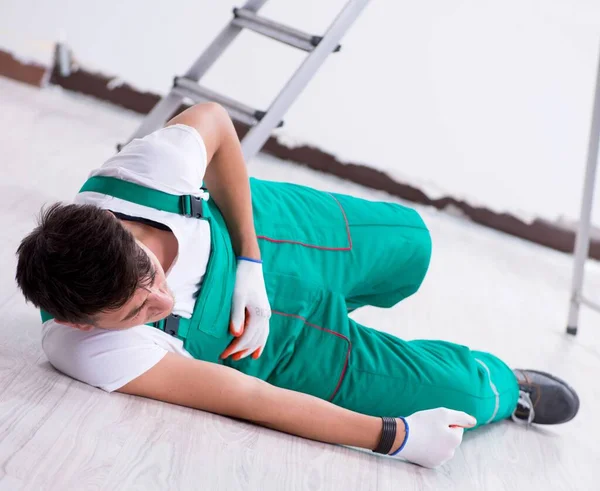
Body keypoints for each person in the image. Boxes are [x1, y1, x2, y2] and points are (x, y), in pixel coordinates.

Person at [15, 103, 579, 469]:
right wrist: (393, 436)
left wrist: (250, 263)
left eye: (153, 276)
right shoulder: (85, 350)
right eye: (140, 310)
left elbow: (213, 121)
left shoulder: (143, 175)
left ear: (118, 226)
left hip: (261, 230)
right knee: (470, 397)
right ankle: (509, 384)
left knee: (413, 244)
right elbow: (245, 397)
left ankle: (345, 293)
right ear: (78, 323)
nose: (162, 299)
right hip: (265, 343)